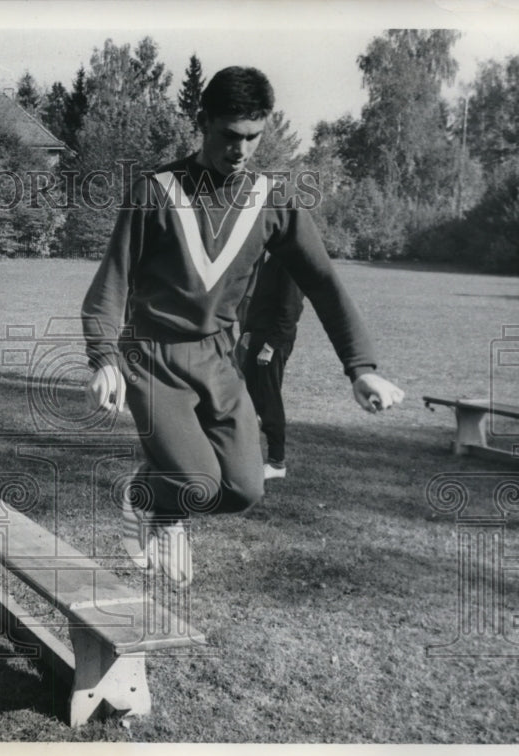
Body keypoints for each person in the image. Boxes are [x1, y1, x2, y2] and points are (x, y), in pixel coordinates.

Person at [81, 66, 404, 588]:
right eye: (230, 135)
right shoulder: (154, 192)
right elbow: (111, 283)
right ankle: (162, 505)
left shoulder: (271, 201)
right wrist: (103, 358)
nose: (242, 149)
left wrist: (360, 368)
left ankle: (149, 493)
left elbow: (323, 283)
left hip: (219, 359)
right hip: (152, 356)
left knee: (245, 490)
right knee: (199, 484)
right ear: (202, 121)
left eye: (254, 137)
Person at [236, 252, 304, 480]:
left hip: (273, 341)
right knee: (247, 396)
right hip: (258, 336)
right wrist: (248, 331)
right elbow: (258, 303)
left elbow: (291, 310)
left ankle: (277, 462)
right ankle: (241, 454)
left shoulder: (288, 261)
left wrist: (271, 346)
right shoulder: (267, 258)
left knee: (269, 398)